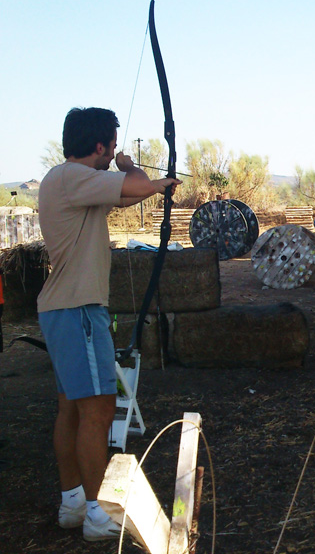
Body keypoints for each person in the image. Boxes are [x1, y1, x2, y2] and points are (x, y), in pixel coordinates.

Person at [37, 107, 181, 541]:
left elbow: (128, 196)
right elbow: (136, 186)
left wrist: (147, 184)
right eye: (113, 144)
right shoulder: (72, 177)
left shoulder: (67, 183)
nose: (115, 150)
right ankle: (98, 512)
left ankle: (74, 502)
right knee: (98, 409)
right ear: (99, 146)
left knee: (72, 409)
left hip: (62, 309)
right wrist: (143, 175)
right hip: (79, 311)